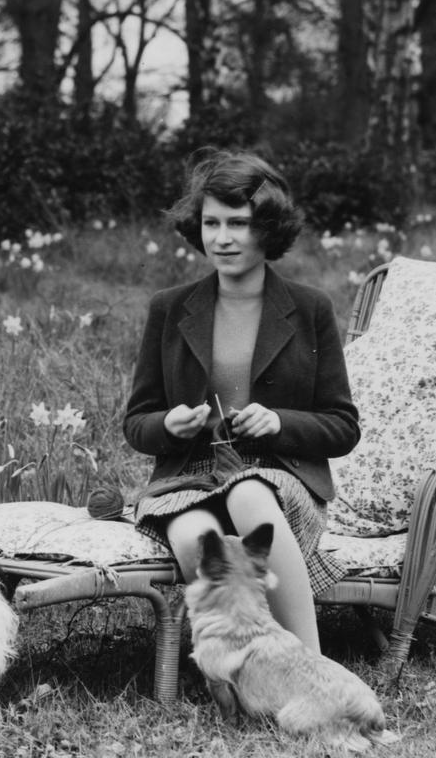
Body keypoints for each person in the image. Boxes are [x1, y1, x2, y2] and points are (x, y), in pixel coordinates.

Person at [123, 150, 359, 652]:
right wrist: (171, 424)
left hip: (280, 476)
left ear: (268, 229)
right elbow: (136, 423)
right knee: (192, 539)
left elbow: (342, 427)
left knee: (247, 493)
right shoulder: (169, 308)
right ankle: (245, 665)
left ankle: (309, 663)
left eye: (238, 223)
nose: (222, 238)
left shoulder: (310, 307)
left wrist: (277, 422)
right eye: (211, 222)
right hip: (190, 478)